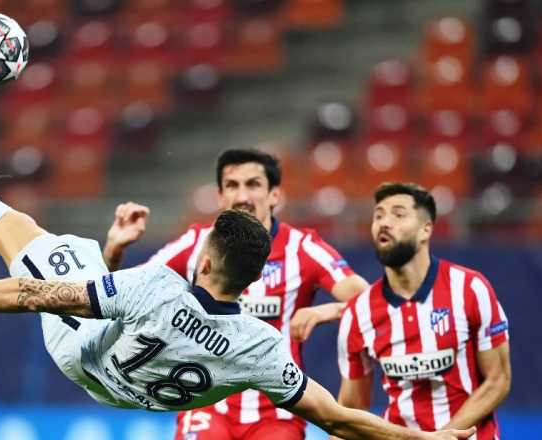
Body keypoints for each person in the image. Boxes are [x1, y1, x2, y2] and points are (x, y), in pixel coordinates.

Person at [0, 67, 474, 440]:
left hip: (83, 356)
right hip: (140, 397)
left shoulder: (159, 286)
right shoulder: (259, 344)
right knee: (82, 253)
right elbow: (339, 419)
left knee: (18, 232)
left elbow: (31, 293)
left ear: (206, 261)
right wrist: (423, 439)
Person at [102, 148, 370, 440]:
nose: (242, 196)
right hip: (204, 403)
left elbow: (372, 305)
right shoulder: (196, 244)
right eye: (232, 185)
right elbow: (124, 293)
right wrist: (114, 250)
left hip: (276, 411)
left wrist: (325, 311)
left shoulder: (302, 247)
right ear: (220, 196)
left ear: (274, 195)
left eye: (253, 184)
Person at [336, 183, 512, 439]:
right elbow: (352, 409)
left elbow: (498, 380)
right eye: (378, 215)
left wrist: (442, 436)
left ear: (425, 230)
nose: (385, 222)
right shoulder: (357, 313)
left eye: (398, 214)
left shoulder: (470, 289)